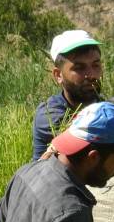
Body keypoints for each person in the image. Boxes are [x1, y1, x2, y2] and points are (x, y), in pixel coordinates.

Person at [31, 30, 103, 161]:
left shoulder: (106, 105)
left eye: (96, 65)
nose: (92, 74)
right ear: (58, 75)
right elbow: (89, 137)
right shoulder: (50, 115)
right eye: (79, 68)